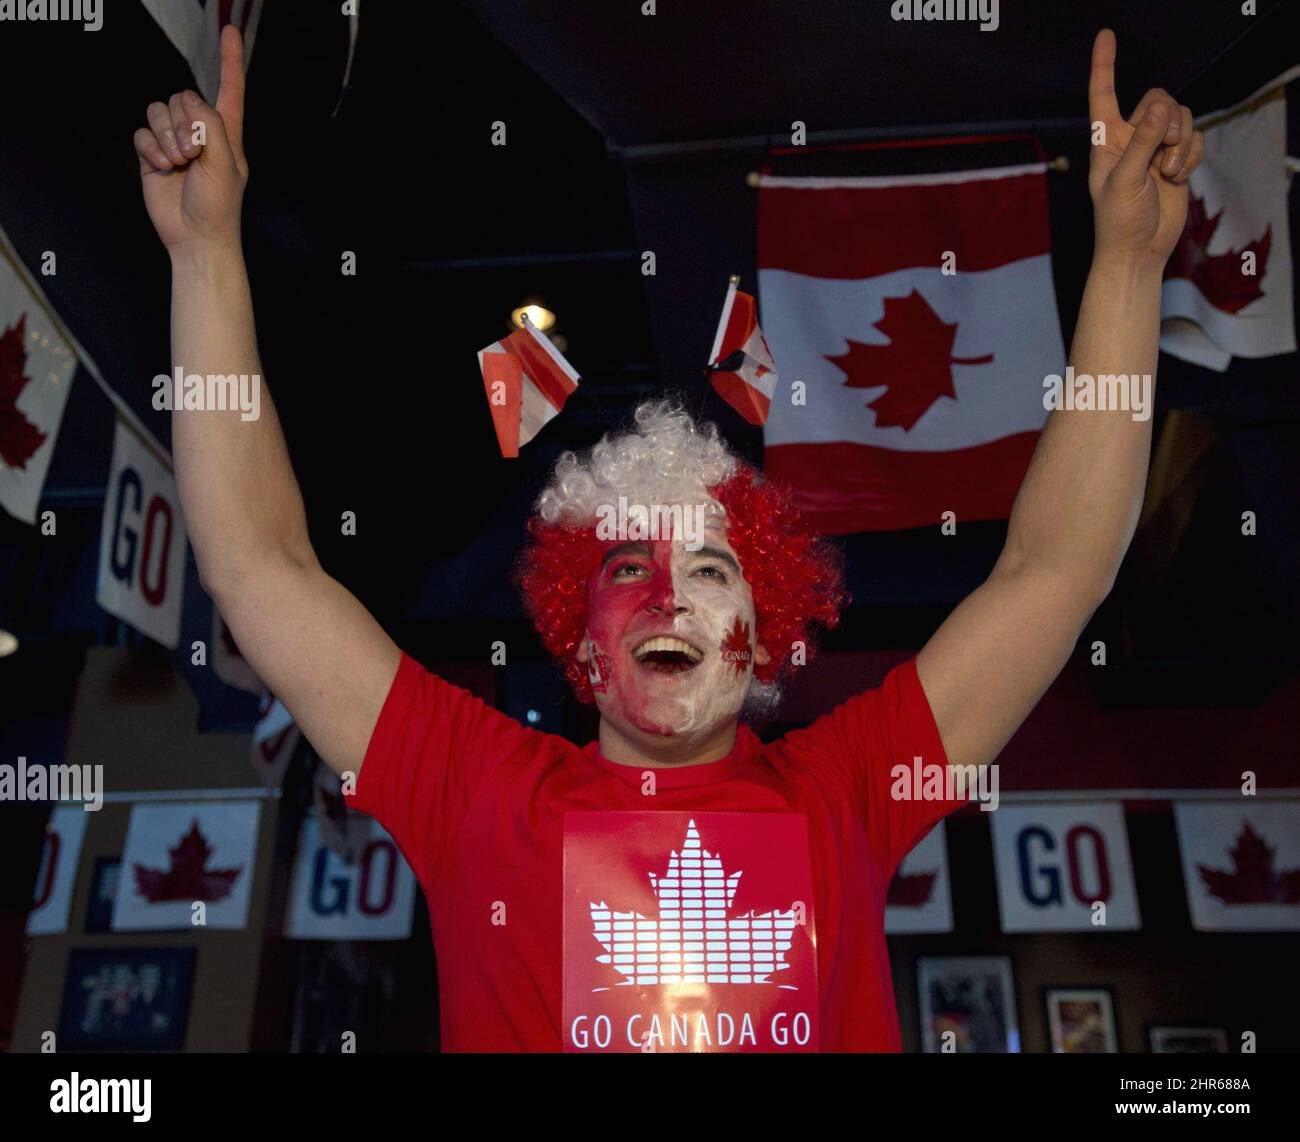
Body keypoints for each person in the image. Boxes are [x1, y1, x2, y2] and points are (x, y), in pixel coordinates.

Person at [133, 24, 1203, 1051]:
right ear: (580, 636)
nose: (667, 593)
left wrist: (1125, 271)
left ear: (764, 624)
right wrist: (203, 255)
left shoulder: (851, 791)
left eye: (708, 565)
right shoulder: (470, 790)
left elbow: (1056, 570)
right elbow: (255, 564)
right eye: (626, 565)